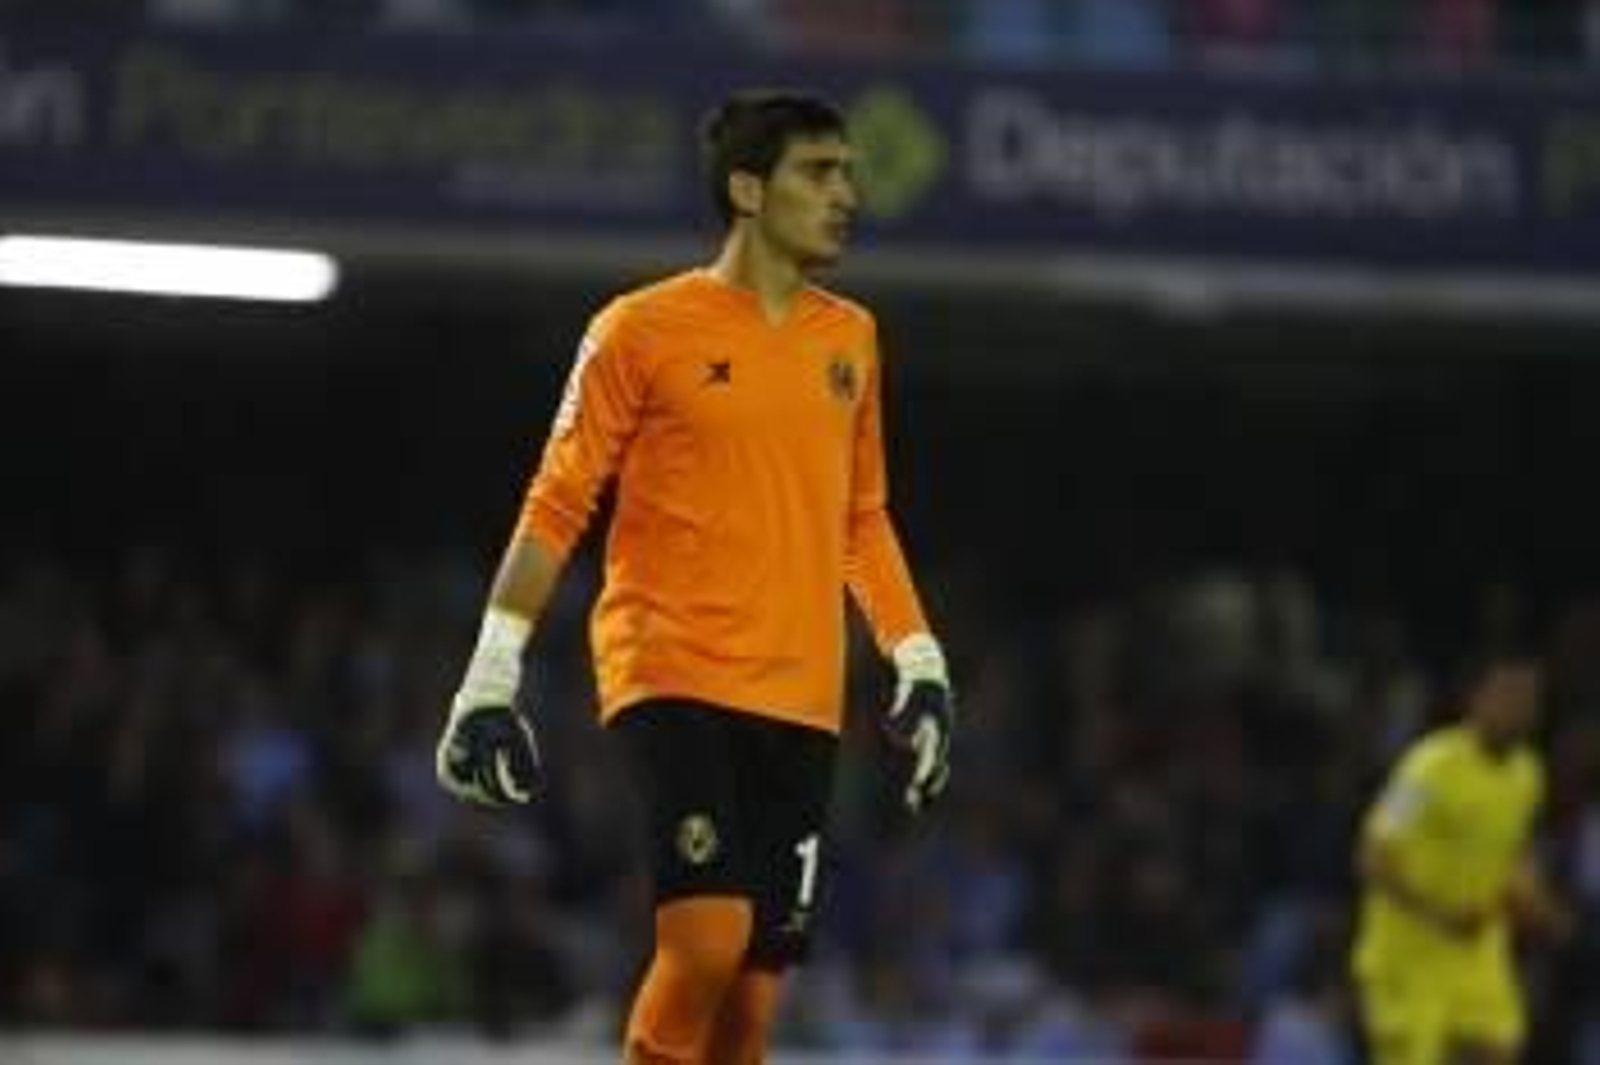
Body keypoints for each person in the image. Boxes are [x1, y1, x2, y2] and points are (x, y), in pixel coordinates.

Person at [433, 88, 957, 1065]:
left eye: (848, 171)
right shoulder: (637, 330)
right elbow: (556, 503)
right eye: (819, 172)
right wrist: (489, 675)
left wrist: (917, 660)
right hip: (670, 666)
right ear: (748, 189)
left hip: (802, 696)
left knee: (751, 1009)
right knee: (706, 938)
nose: (846, 193)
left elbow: (862, 519)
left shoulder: (852, 339)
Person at [1350, 648, 1576, 1065]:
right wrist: (1438, 914)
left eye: (1528, 699)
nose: (1520, 709)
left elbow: (1511, 855)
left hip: (1476, 952)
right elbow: (1371, 856)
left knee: (1498, 1051)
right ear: (1477, 699)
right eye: (1508, 696)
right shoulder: (1427, 767)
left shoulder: (1528, 775)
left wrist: (1540, 904)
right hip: (1407, 956)